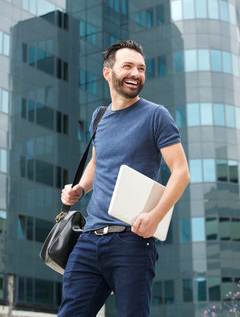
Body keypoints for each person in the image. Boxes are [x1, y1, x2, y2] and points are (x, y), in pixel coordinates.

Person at [58, 40, 190, 317]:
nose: (136, 73)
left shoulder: (156, 116)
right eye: (128, 66)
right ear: (108, 73)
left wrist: (155, 216)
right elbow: (97, 162)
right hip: (89, 239)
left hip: (132, 241)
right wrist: (80, 188)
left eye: (141, 68)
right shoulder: (100, 116)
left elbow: (181, 172)